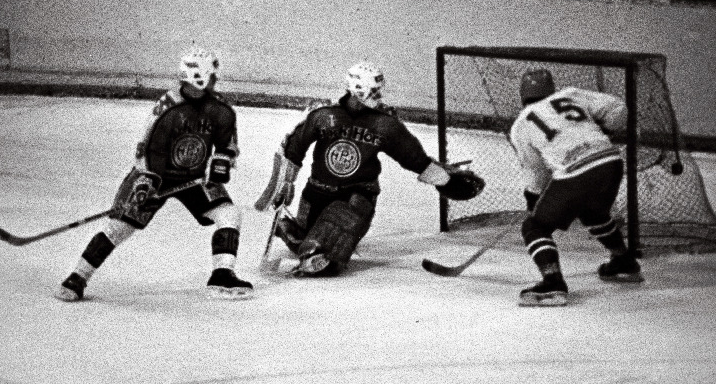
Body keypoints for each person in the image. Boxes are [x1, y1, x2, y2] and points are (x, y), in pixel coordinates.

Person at [55, 48, 253, 301]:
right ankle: (78, 277)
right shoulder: (168, 108)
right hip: (155, 176)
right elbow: (148, 150)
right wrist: (146, 182)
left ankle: (222, 274)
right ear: (200, 78)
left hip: (193, 179)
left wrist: (222, 160)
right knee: (120, 227)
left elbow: (228, 145)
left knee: (229, 214)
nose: (215, 80)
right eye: (212, 75)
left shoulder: (221, 109)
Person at [255, 62, 485, 276]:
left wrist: (445, 180)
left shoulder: (385, 124)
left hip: (356, 194)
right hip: (316, 193)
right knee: (306, 243)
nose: (378, 96)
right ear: (357, 89)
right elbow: (293, 147)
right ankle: (296, 233)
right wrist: (285, 183)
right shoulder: (323, 115)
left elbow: (414, 158)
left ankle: (316, 245)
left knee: (332, 244)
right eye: (373, 91)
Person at [509, 68, 644, 307]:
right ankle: (623, 261)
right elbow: (618, 108)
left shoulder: (521, 124)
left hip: (578, 172)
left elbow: (536, 172)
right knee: (593, 212)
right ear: (551, 89)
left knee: (535, 226)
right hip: (610, 161)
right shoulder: (571, 95)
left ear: (522, 95)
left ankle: (552, 283)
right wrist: (607, 129)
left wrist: (534, 201)